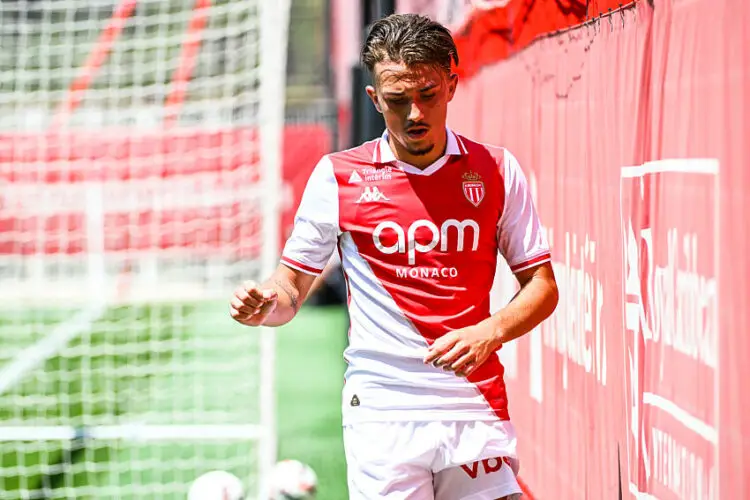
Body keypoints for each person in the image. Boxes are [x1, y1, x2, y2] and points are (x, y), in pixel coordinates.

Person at [230, 13, 558, 500]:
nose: (415, 115)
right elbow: (289, 292)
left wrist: (491, 331)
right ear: (374, 98)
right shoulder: (337, 177)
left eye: (427, 94)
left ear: (451, 83)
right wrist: (266, 304)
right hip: (383, 410)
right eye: (398, 101)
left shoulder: (496, 169)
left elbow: (543, 286)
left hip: (473, 404)